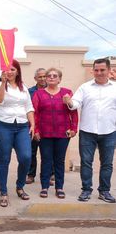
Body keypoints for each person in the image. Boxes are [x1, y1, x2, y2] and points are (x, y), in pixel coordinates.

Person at [63, 58, 116, 203]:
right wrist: (69, 101)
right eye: (96, 70)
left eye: (102, 70)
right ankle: (86, 190)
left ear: (109, 70)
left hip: (109, 132)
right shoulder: (85, 87)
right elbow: (75, 104)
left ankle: (104, 191)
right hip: (87, 131)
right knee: (86, 162)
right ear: (93, 70)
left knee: (107, 163)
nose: (99, 73)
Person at [0, 59, 34, 207]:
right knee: (4, 159)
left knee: (26, 157)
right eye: (7, 69)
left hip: (22, 126)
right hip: (3, 126)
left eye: (12, 69)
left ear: (17, 71)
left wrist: (32, 123)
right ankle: (3, 192)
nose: (9, 72)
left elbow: (28, 106)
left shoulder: (24, 88)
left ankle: (20, 186)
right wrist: (3, 83)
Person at [32, 68, 78, 198]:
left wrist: (74, 128)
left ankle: (59, 187)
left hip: (63, 133)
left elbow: (73, 112)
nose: (51, 77)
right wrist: (35, 130)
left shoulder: (66, 93)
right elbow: (34, 113)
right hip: (44, 133)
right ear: (46, 79)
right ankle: (44, 187)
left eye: (55, 76)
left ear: (59, 79)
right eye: (49, 76)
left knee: (59, 161)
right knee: (46, 160)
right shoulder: (39, 94)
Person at [26, 68, 46, 184]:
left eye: (44, 76)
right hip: (33, 126)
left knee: (47, 153)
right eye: (40, 77)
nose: (43, 79)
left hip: (47, 127)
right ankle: (30, 175)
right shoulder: (29, 92)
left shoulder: (52, 90)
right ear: (35, 78)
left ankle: (48, 175)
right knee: (31, 152)